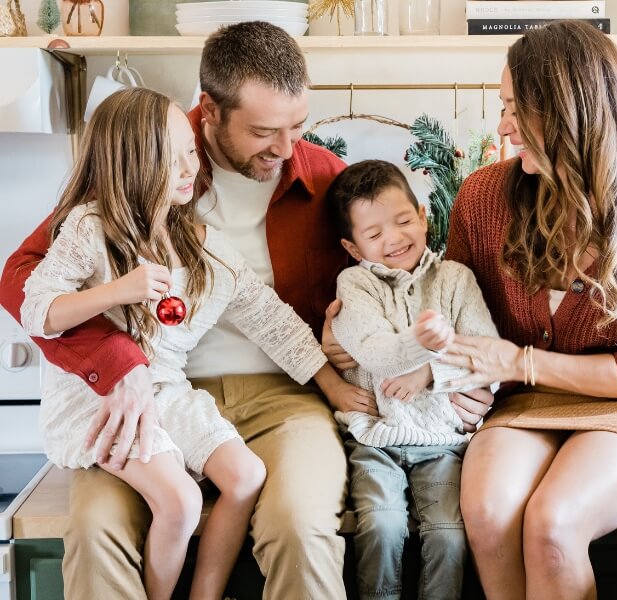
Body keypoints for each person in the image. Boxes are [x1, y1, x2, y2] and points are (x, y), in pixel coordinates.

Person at [0, 21, 374, 600]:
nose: (285, 147)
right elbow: (23, 284)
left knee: (299, 526)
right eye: (263, 130)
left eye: (297, 126)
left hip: (284, 399)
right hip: (143, 394)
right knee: (96, 530)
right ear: (210, 112)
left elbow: (361, 288)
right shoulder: (143, 163)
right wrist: (118, 363)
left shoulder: (325, 178)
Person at [433, 22, 617, 599]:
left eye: (514, 108)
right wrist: (459, 380)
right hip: (521, 405)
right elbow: (454, 315)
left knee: (553, 524)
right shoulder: (481, 198)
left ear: (569, 113)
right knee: (487, 508)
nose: (502, 126)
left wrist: (520, 362)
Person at [326, 160, 498, 600]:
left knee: (448, 536)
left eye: (403, 221)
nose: (394, 238)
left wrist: (431, 371)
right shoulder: (355, 285)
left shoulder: (456, 280)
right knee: (381, 527)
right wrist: (423, 342)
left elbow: (490, 358)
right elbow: (374, 351)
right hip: (376, 439)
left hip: (443, 440)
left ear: (423, 217)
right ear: (351, 245)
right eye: (374, 234)